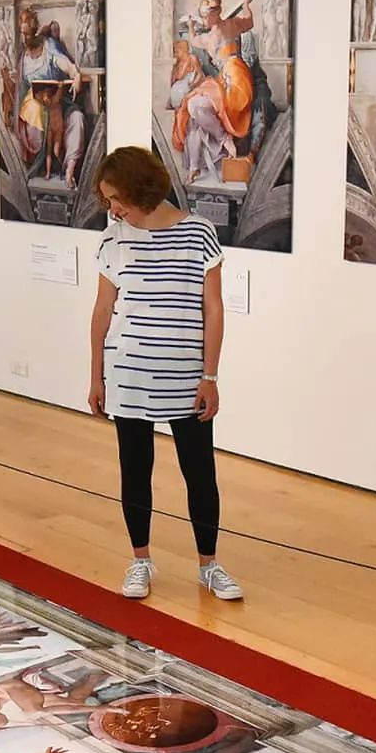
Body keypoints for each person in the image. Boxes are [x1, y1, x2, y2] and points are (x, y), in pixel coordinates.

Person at [85, 146, 240, 602]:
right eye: (108, 200)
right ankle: (140, 560)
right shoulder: (113, 239)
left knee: (200, 473)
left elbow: (213, 308)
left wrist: (210, 376)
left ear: (141, 189)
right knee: (135, 471)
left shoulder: (198, 235)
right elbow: (102, 311)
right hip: (130, 373)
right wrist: (96, 376)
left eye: (117, 199)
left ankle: (209, 566)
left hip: (186, 379)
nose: (112, 208)